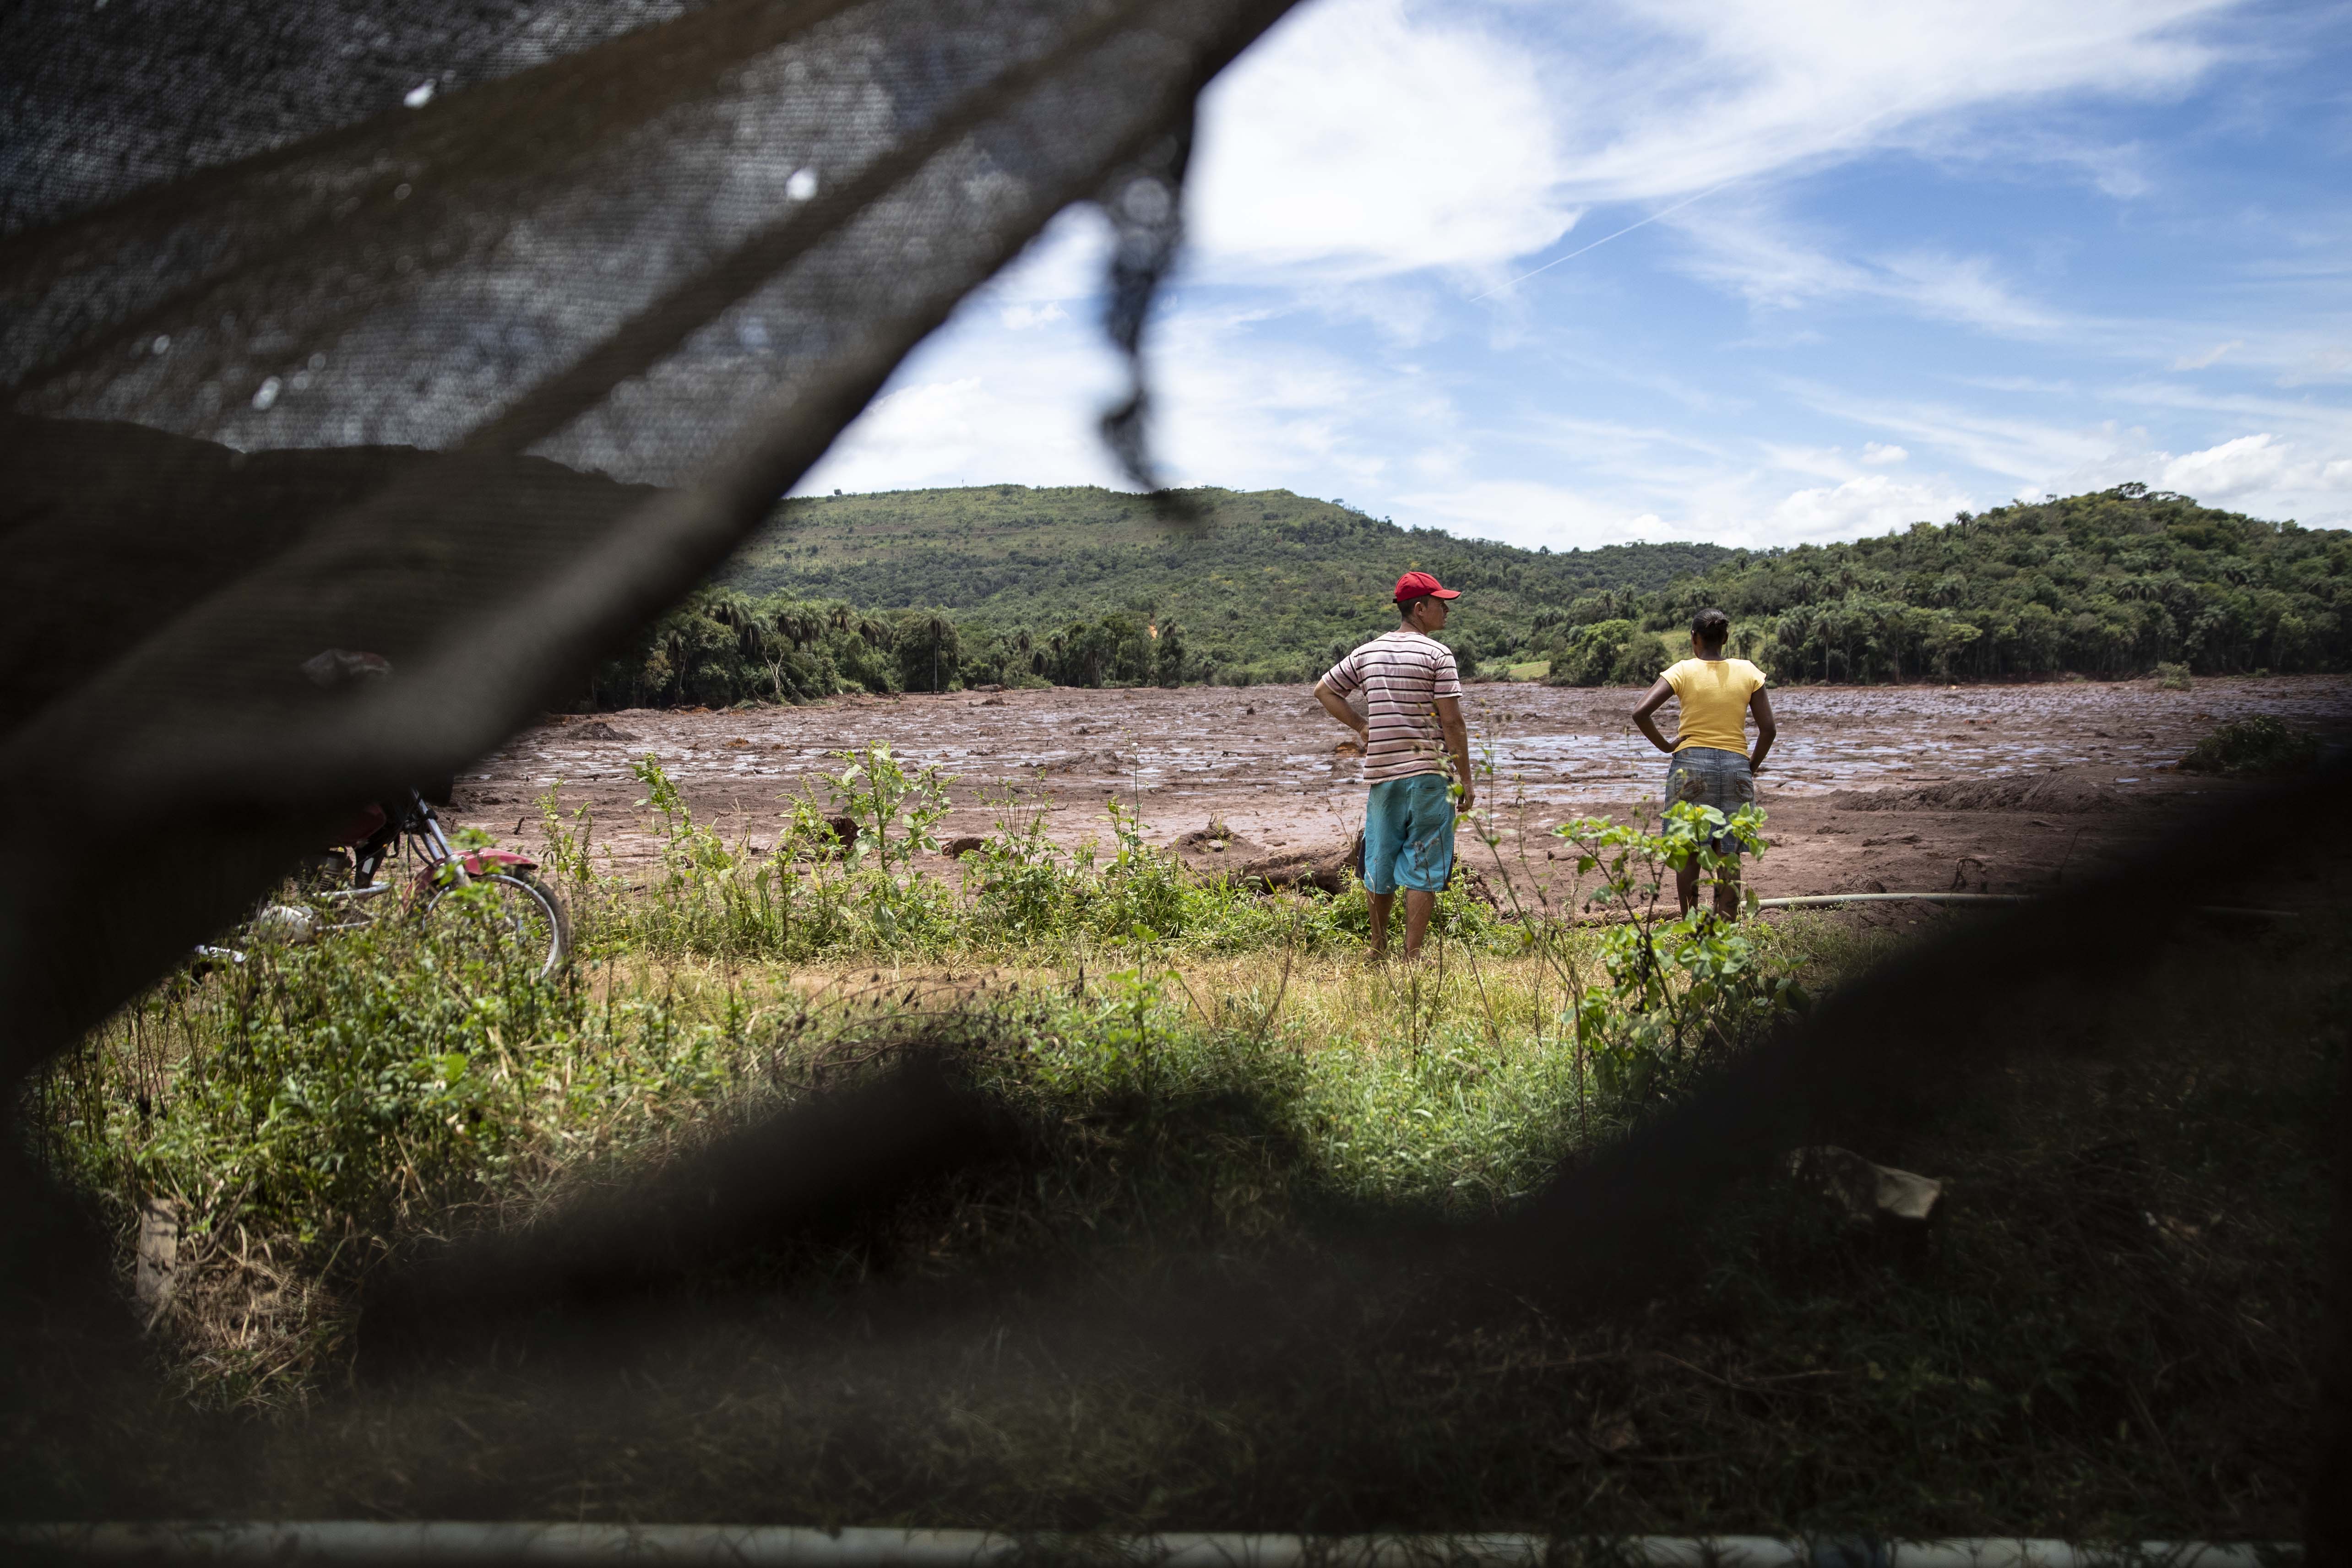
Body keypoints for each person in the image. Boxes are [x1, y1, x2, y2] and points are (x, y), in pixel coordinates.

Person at [1313, 570, 1474, 960]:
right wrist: (1466, 779)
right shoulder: (1438, 655)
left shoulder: (1367, 652)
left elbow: (1324, 690)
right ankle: (1412, 955)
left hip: (1383, 778)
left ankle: (1377, 948)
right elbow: (1451, 722)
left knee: (1380, 860)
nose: (1446, 609)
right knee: (1423, 863)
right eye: (1440, 603)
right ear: (1419, 609)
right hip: (1428, 777)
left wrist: (1361, 725)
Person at [1630, 608, 1776, 919]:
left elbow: (1640, 712)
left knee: (1687, 853)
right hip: (1736, 765)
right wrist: (1749, 766)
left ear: (1694, 638)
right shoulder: (1748, 671)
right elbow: (1768, 729)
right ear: (1725, 638)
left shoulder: (1682, 670)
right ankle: (1726, 929)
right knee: (1729, 854)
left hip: (1690, 764)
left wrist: (1667, 746)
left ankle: (1692, 925)